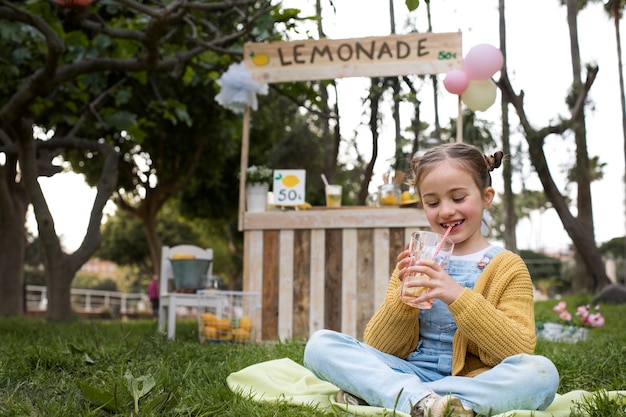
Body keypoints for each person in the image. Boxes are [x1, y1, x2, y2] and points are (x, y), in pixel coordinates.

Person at [303, 142, 559, 417]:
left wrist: (457, 296)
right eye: (433, 203)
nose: (446, 211)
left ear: (486, 197)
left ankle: (396, 396)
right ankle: (432, 403)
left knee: (541, 374)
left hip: (473, 381)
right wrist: (403, 302)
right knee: (320, 345)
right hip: (408, 372)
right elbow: (378, 347)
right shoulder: (416, 261)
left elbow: (518, 348)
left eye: (458, 198)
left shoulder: (508, 267)